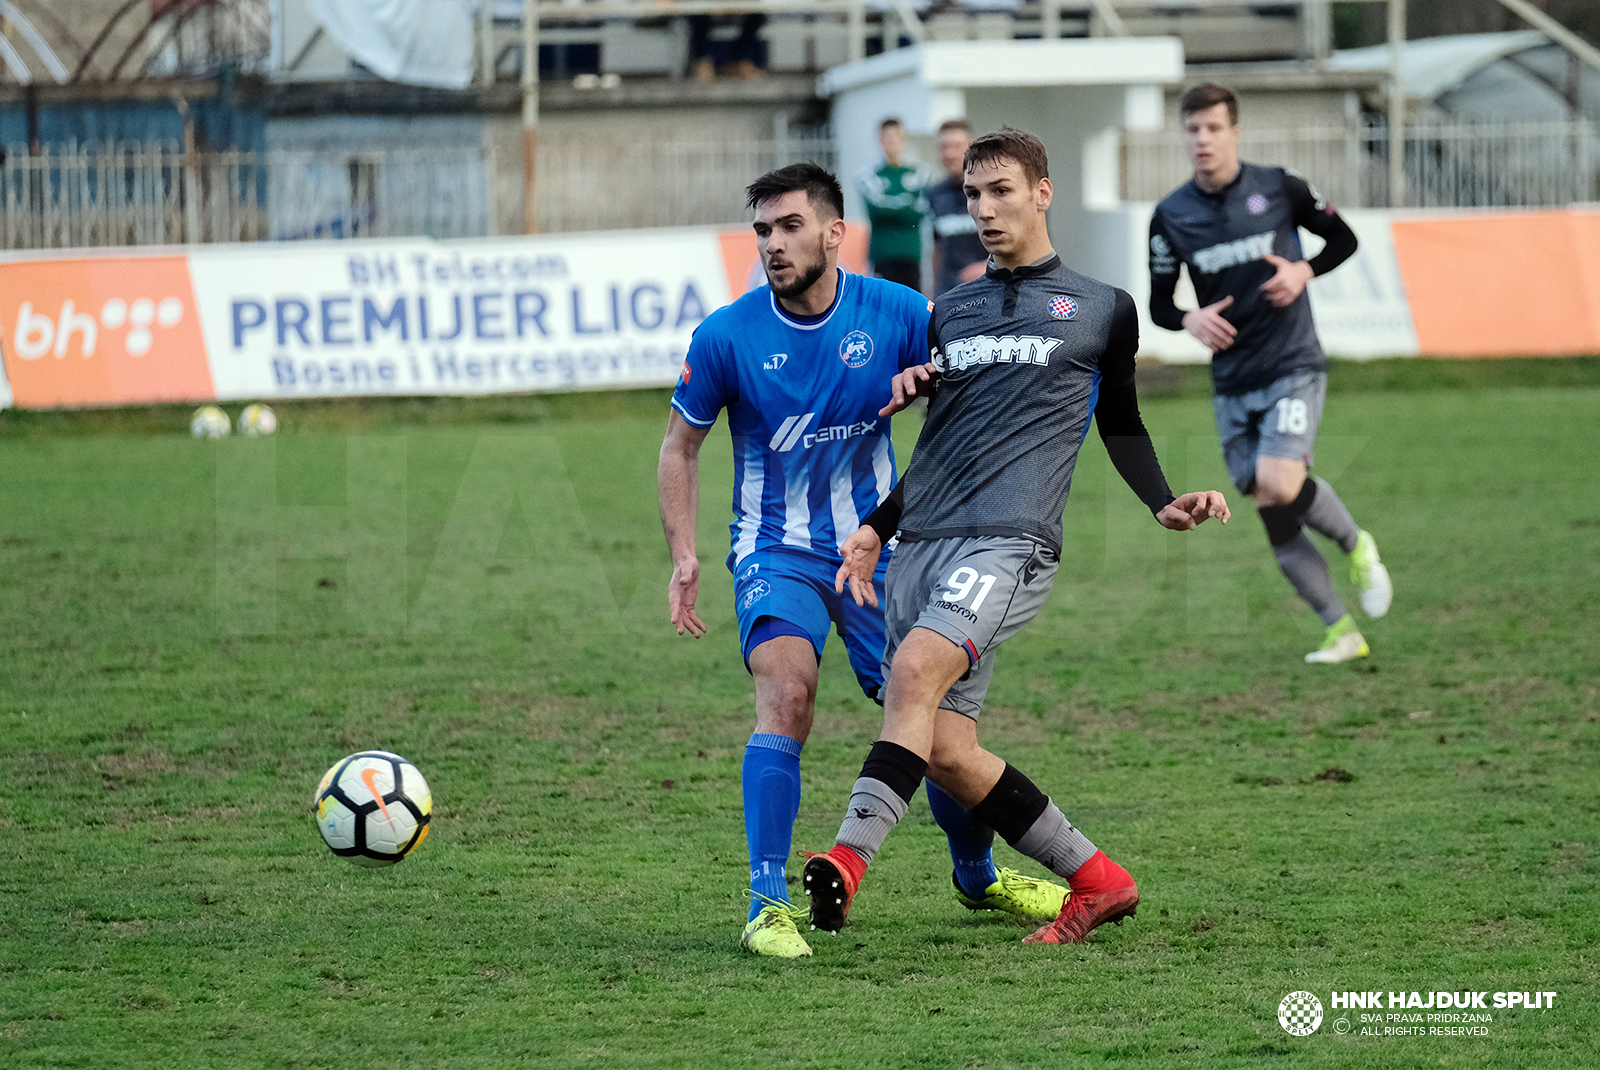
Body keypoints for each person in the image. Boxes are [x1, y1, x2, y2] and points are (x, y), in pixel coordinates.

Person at [806, 128, 1232, 946]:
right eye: (972, 194)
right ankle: (1099, 881)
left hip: (1011, 541)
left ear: (1042, 191)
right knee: (948, 749)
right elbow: (948, 442)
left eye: (1001, 190)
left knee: (912, 673)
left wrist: (1163, 501)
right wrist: (873, 527)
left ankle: (845, 864)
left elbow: (1121, 422)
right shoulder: (950, 311)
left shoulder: (1103, 307)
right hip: (922, 540)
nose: (984, 209)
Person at [657, 163, 1068, 960]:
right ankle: (766, 903)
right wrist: (684, 554)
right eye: (763, 232)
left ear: (833, 233)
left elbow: (975, 395)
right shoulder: (726, 336)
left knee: (941, 728)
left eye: (789, 227)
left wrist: (935, 386)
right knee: (787, 690)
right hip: (776, 548)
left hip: (882, 547)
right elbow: (680, 447)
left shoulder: (901, 312)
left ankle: (977, 873)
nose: (774, 245)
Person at [1147, 82, 1392, 665]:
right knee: (1271, 505)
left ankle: (1357, 543)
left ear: (1235, 132)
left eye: (1213, 128)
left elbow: (1344, 239)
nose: (1202, 139)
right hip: (1232, 382)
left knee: (1280, 482)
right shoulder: (1170, 216)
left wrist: (1304, 271)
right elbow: (1159, 303)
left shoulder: (1280, 186)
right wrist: (1189, 317)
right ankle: (1341, 631)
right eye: (1192, 129)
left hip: (1291, 362)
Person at [858, 118, 930, 293]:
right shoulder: (869, 176)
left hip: (911, 255)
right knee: (883, 307)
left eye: (896, 137)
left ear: (904, 139)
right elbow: (876, 211)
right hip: (883, 256)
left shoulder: (918, 173)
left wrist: (891, 205)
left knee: (912, 309)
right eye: (887, 138)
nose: (892, 143)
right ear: (880, 140)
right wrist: (906, 202)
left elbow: (920, 210)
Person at [926, 119, 987, 296]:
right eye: (944, 147)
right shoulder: (934, 195)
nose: (950, 154)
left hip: (989, 293)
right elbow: (936, 250)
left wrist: (990, 267)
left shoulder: (991, 193)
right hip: (949, 296)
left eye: (957, 146)